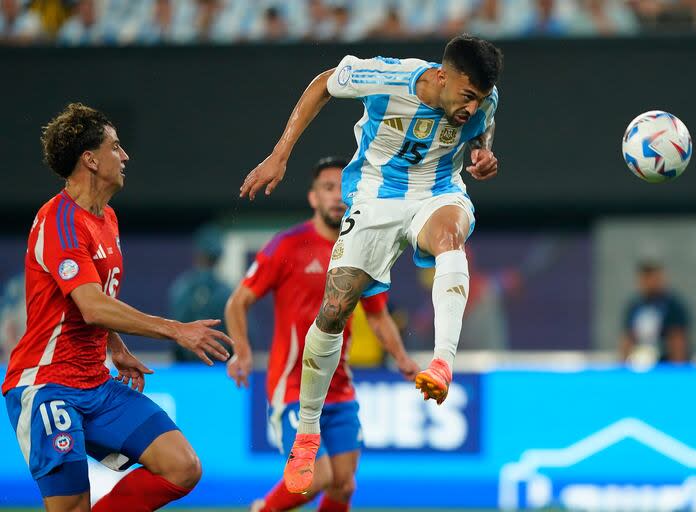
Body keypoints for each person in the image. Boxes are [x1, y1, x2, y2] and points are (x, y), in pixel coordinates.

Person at [239, 34, 502, 493]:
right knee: (334, 309)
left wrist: (480, 150)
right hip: (376, 194)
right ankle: (305, 432)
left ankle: (442, 363)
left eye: (479, 98)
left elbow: (482, 123)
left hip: (437, 190)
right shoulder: (389, 76)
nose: (472, 106)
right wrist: (280, 154)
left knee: (450, 240)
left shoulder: (484, 98)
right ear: (443, 76)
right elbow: (323, 83)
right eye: (466, 96)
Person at [2, 103, 233, 512]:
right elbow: (90, 305)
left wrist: (117, 346)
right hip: (46, 386)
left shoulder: (106, 217)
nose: (124, 156)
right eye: (115, 146)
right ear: (90, 159)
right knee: (71, 505)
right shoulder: (59, 221)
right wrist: (176, 330)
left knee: (182, 466)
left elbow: (93, 300)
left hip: (95, 383)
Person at [227, 157, 419, 512]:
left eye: (344, 189)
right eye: (328, 189)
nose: (337, 197)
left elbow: (378, 316)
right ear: (313, 198)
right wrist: (242, 350)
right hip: (294, 388)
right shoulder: (288, 245)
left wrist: (404, 360)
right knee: (316, 478)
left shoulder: (363, 250)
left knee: (344, 484)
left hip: (340, 388)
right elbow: (238, 302)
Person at [168, 225, 231, 362]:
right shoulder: (227, 292)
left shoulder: (181, 287)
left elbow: (173, 336)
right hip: (220, 369)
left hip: (187, 370)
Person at [619, 260, 690, 364]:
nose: (649, 283)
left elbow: (678, 341)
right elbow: (627, 339)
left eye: (652, 278)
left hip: (665, 365)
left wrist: (676, 370)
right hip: (640, 364)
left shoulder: (673, 307)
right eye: (645, 278)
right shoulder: (634, 306)